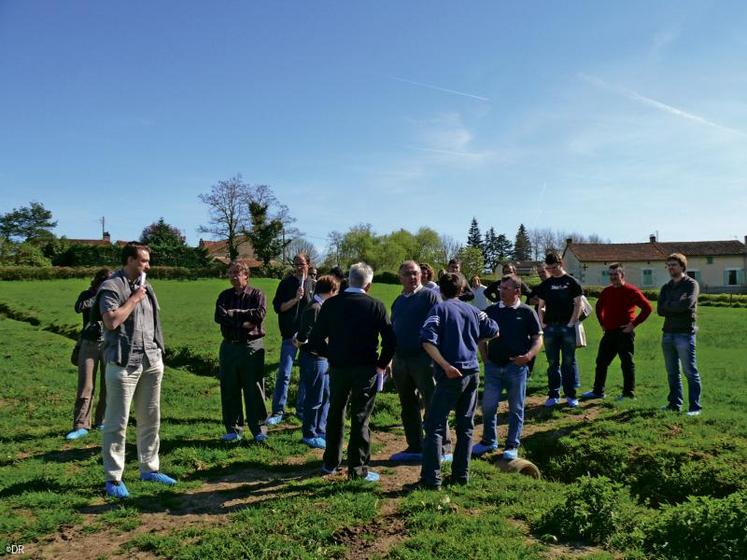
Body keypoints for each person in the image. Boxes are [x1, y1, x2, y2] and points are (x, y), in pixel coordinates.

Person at [95, 242, 175, 499]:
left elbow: (154, 322)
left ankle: (149, 468)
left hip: (151, 361)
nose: (147, 266)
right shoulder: (111, 286)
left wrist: (159, 351)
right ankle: (114, 478)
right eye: (143, 261)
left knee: (151, 418)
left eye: (148, 261)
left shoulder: (147, 287)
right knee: (117, 422)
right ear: (128, 260)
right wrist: (133, 298)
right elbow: (111, 320)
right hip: (123, 363)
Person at [309, 262, 396, 482]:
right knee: (360, 417)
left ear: (349, 279)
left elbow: (316, 339)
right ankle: (357, 468)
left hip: (338, 367)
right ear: (369, 285)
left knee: (335, 413)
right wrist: (382, 364)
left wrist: (331, 354)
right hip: (366, 368)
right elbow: (390, 340)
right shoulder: (375, 306)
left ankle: (330, 462)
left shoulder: (330, 304)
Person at [414, 273, 499, 489]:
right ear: (462, 289)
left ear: (440, 290)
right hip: (472, 373)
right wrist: (473, 339)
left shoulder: (438, 310)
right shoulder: (473, 311)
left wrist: (444, 365)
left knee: (434, 426)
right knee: (466, 425)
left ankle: (431, 479)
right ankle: (461, 476)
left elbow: (427, 341)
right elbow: (494, 331)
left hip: (450, 375)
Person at [473, 274, 543, 460]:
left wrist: (528, 356)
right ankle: (489, 441)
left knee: (516, 408)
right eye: (500, 288)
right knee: (488, 407)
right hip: (493, 367)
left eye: (505, 288)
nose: (500, 291)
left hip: (516, 368)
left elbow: (538, 339)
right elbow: (480, 337)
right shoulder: (490, 311)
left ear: (517, 291)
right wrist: (486, 359)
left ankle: (512, 445)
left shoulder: (528, 312)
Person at [389, 261, 448, 463]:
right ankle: (415, 445)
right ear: (400, 277)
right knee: (408, 404)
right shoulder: (398, 301)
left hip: (424, 359)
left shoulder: (430, 296)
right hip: (400, 359)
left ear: (421, 276)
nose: (412, 277)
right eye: (407, 274)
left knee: (433, 402)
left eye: (415, 273)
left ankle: (441, 447)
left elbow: (441, 324)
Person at [214, 262, 268, 442]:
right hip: (229, 346)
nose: (233, 277)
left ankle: (259, 429)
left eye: (237, 273)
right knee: (229, 387)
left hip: (250, 346)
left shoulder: (256, 294)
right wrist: (241, 320)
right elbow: (219, 317)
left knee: (254, 388)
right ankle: (233, 429)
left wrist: (233, 314)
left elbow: (258, 315)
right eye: (230, 273)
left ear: (246, 275)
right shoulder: (224, 296)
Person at [581, 263, 652, 401]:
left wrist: (633, 325)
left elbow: (647, 308)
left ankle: (628, 394)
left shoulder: (631, 291)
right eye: (611, 275)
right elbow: (599, 306)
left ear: (622, 275)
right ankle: (598, 391)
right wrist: (602, 324)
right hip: (609, 333)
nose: (613, 277)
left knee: (626, 362)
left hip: (624, 333)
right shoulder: (607, 291)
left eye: (616, 274)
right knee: (601, 362)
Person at [268, 253, 315, 425]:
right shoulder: (285, 284)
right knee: (284, 374)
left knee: (305, 374)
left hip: (307, 338)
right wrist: (295, 298)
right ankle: (278, 411)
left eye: (301, 264)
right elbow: (279, 308)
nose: (298, 267)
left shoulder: (313, 284)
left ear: (308, 265)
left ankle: (301, 409)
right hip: (289, 335)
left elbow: (316, 308)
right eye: (296, 264)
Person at [66, 267, 112, 440]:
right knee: (86, 385)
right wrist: (97, 296)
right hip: (89, 343)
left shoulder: (113, 295)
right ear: (98, 282)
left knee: (108, 384)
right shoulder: (87, 295)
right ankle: (80, 425)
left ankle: (103, 421)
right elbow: (79, 308)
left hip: (109, 343)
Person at [293, 274, 339, 449]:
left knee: (325, 395)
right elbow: (306, 336)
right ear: (331, 291)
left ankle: (321, 429)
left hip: (323, 358)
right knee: (315, 397)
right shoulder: (314, 308)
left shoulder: (321, 306)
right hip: (313, 358)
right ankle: (309, 434)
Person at [536, 252, 584, 408]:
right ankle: (553, 394)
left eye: (554, 267)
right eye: (549, 268)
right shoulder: (546, 285)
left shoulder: (572, 282)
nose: (552, 271)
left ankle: (570, 395)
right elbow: (540, 306)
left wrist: (571, 323)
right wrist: (542, 324)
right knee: (552, 363)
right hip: (550, 328)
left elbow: (578, 305)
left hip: (567, 327)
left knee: (568, 363)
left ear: (561, 264)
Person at [658, 253, 702, 415]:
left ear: (682, 266)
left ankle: (695, 407)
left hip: (685, 334)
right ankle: (674, 404)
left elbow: (686, 304)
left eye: (673, 265)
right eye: (668, 265)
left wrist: (670, 305)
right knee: (672, 372)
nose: (670, 268)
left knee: (690, 371)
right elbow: (660, 310)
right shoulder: (666, 287)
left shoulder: (691, 284)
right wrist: (675, 304)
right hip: (668, 333)